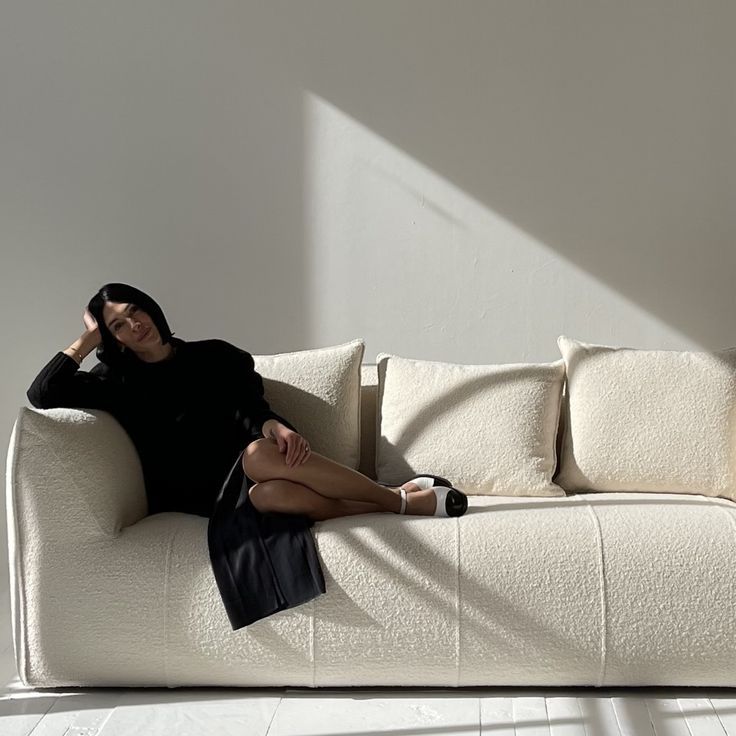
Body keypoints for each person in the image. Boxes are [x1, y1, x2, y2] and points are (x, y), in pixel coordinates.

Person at [26, 282, 468, 629]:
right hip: (194, 489)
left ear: (149, 307)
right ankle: (398, 500)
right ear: (112, 337)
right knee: (261, 470)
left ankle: (392, 501)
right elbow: (43, 393)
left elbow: (250, 410)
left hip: (251, 467)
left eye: (134, 311)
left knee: (268, 485)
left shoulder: (214, 357)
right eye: (117, 325)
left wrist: (275, 425)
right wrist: (85, 341)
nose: (133, 325)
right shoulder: (113, 381)